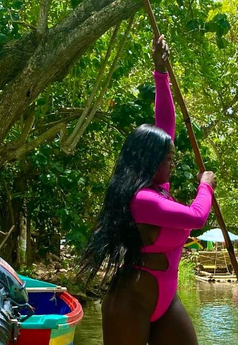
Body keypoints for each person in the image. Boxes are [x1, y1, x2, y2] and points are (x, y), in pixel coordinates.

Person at [79, 35, 217, 345]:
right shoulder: (142, 199)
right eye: (167, 159)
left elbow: (165, 126)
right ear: (149, 161)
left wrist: (161, 72)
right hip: (130, 301)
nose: (172, 163)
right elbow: (196, 216)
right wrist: (204, 186)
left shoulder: (159, 187)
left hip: (166, 301)